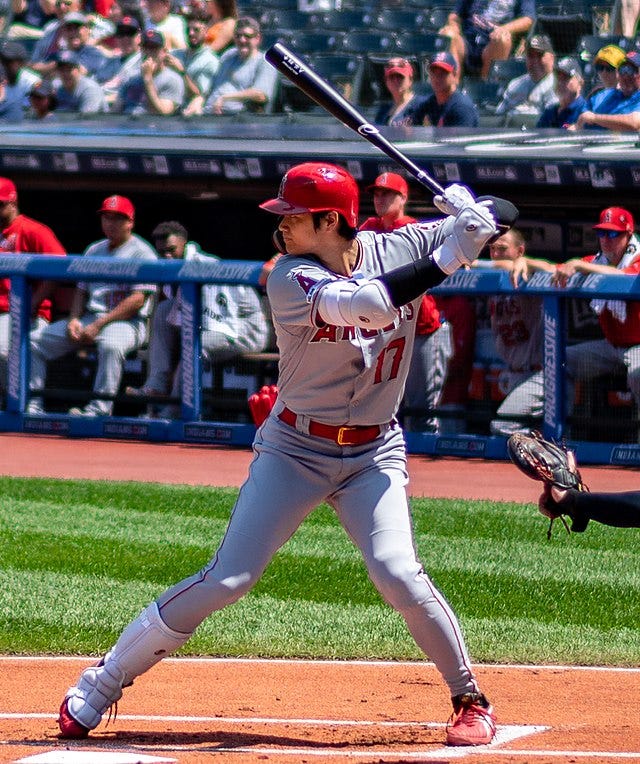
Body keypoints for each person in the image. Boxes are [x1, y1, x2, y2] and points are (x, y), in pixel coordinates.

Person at [56, 163, 506, 747]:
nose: (282, 224)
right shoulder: (289, 276)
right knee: (229, 578)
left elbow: (501, 214)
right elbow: (369, 305)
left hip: (374, 451)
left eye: (293, 215)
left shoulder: (395, 245)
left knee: (398, 570)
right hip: (294, 447)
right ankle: (101, 681)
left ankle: (470, 697)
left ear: (329, 220)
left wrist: (476, 212)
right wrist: (453, 253)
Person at [28, 195, 157, 417]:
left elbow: (137, 300)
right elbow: (81, 290)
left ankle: (99, 410)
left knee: (110, 345)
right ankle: (33, 406)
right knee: (34, 341)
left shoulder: (142, 252)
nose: (110, 223)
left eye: (117, 218)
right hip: (91, 317)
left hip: (128, 323)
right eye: (106, 218)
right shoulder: (94, 250)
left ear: (130, 222)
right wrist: (73, 319)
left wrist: (99, 324)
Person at [125, 220, 269, 418]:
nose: (167, 256)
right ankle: (156, 385)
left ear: (184, 244)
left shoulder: (205, 266)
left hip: (246, 327)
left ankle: (175, 409)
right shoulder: (172, 270)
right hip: (216, 324)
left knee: (195, 346)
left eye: (171, 250)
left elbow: (219, 324)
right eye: (162, 252)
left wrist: (184, 339)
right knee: (163, 310)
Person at [360, 172, 452, 433]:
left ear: (403, 198)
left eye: (387, 194)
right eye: (377, 194)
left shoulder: (415, 229)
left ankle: (431, 461)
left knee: (424, 409)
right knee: (386, 406)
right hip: (387, 332)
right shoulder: (368, 229)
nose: (380, 199)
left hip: (424, 330)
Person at [473, 228, 544, 436]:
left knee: (502, 426)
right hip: (514, 373)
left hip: (540, 373)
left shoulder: (525, 275)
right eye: (492, 249)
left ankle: (545, 448)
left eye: (502, 248)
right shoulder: (494, 279)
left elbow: (550, 268)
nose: (495, 254)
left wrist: (526, 262)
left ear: (519, 250)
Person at [0, 177, 66, 397]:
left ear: (13, 202)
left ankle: (12, 402)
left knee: (1, 348)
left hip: (24, 312)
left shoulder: (34, 231)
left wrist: (34, 301)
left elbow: (61, 267)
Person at [197, 16, 276, 115]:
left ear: (257, 38)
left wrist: (225, 98)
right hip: (208, 115)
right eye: (238, 36)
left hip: (237, 120)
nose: (242, 40)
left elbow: (260, 95)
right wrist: (199, 99)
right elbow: (212, 86)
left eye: (247, 36)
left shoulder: (265, 61)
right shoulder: (228, 56)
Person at [439, 0, 535, 80]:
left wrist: (505, 28)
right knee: (448, 35)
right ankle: (452, 88)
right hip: (467, 42)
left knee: (502, 39)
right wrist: (453, 26)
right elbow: (454, 15)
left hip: (493, 44)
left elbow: (528, 20)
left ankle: (486, 88)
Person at [115, 29, 185, 115]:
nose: (149, 53)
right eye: (145, 48)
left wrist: (148, 79)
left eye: (153, 48)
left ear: (164, 51)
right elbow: (116, 110)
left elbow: (164, 113)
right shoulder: (131, 78)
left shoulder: (172, 80)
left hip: (154, 126)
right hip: (127, 124)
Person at [494, 34, 557, 126]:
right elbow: (499, 115)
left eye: (540, 55)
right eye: (530, 56)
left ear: (552, 58)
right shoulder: (515, 85)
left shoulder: (560, 87)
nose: (535, 61)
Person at [571, 50, 640, 132]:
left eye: (631, 70)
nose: (625, 76)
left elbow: (635, 122)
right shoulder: (603, 96)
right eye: (622, 69)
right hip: (591, 141)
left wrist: (594, 118)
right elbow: (580, 119)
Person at [164, 10, 218, 111]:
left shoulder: (210, 61)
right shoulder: (176, 54)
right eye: (188, 29)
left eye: (196, 30)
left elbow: (199, 96)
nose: (191, 33)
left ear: (206, 32)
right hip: (168, 108)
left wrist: (181, 72)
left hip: (191, 115)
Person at [423, 51, 479, 127]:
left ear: (455, 75)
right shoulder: (429, 103)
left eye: (443, 73)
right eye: (434, 72)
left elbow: (459, 138)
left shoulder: (462, 108)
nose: (437, 77)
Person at [373, 57, 429, 128]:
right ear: (386, 82)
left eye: (400, 77)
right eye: (392, 77)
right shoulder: (383, 110)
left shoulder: (423, 105)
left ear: (410, 80)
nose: (396, 80)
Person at [100, 15, 143, 104]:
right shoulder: (110, 61)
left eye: (130, 33)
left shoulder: (144, 61)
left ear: (139, 37)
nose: (125, 38)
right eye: (121, 34)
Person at [537, 56, 587, 129]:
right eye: (557, 77)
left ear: (580, 83)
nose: (560, 82)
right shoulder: (550, 112)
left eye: (566, 78)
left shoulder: (585, 111)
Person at [53, 50, 107, 115]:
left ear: (78, 70)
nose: (65, 74)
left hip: (95, 124)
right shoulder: (60, 90)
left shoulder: (90, 90)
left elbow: (85, 120)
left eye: (69, 69)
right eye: (61, 70)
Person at [0, 40, 40, 117]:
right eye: (2, 60)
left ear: (21, 63)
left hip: (24, 125)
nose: (5, 64)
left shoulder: (31, 80)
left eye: (8, 61)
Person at [587, 44, 625, 110]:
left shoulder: (629, 95)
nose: (604, 73)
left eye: (609, 68)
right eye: (600, 68)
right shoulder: (595, 94)